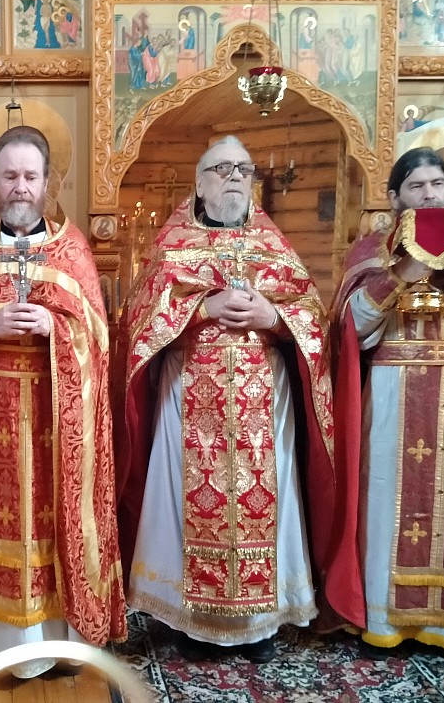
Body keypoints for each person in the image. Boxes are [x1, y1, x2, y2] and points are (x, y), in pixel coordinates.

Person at [115, 136, 345, 664]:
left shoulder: (273, 245)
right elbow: (140, 320)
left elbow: (313, 317)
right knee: (183, 499)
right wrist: (201, 308)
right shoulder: (173, 244)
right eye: (222, 169)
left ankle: (259, 624)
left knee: (268, 499)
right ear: (200, 184)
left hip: (264, 399)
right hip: (189, 394)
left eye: (244, 168)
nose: (236, 176)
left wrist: (275, 317)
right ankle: (188, 618)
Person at [0, 126, 127, 678]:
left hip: (56, 412)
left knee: (55, 518)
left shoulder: (72, 250)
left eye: (30, 176)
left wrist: (56, 328)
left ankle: (58, 641)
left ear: (47, 183)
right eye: (9, 176)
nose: (20, 186)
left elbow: (99, 340)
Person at [333, 147, 444, 659]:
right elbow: (352, 328)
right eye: (416, 186)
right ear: (394, 198)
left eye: (437, 184)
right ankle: (386, 619)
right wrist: (405, 269)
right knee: (389, 504)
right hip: (396, 391)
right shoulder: (373, 250)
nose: (429, 194)